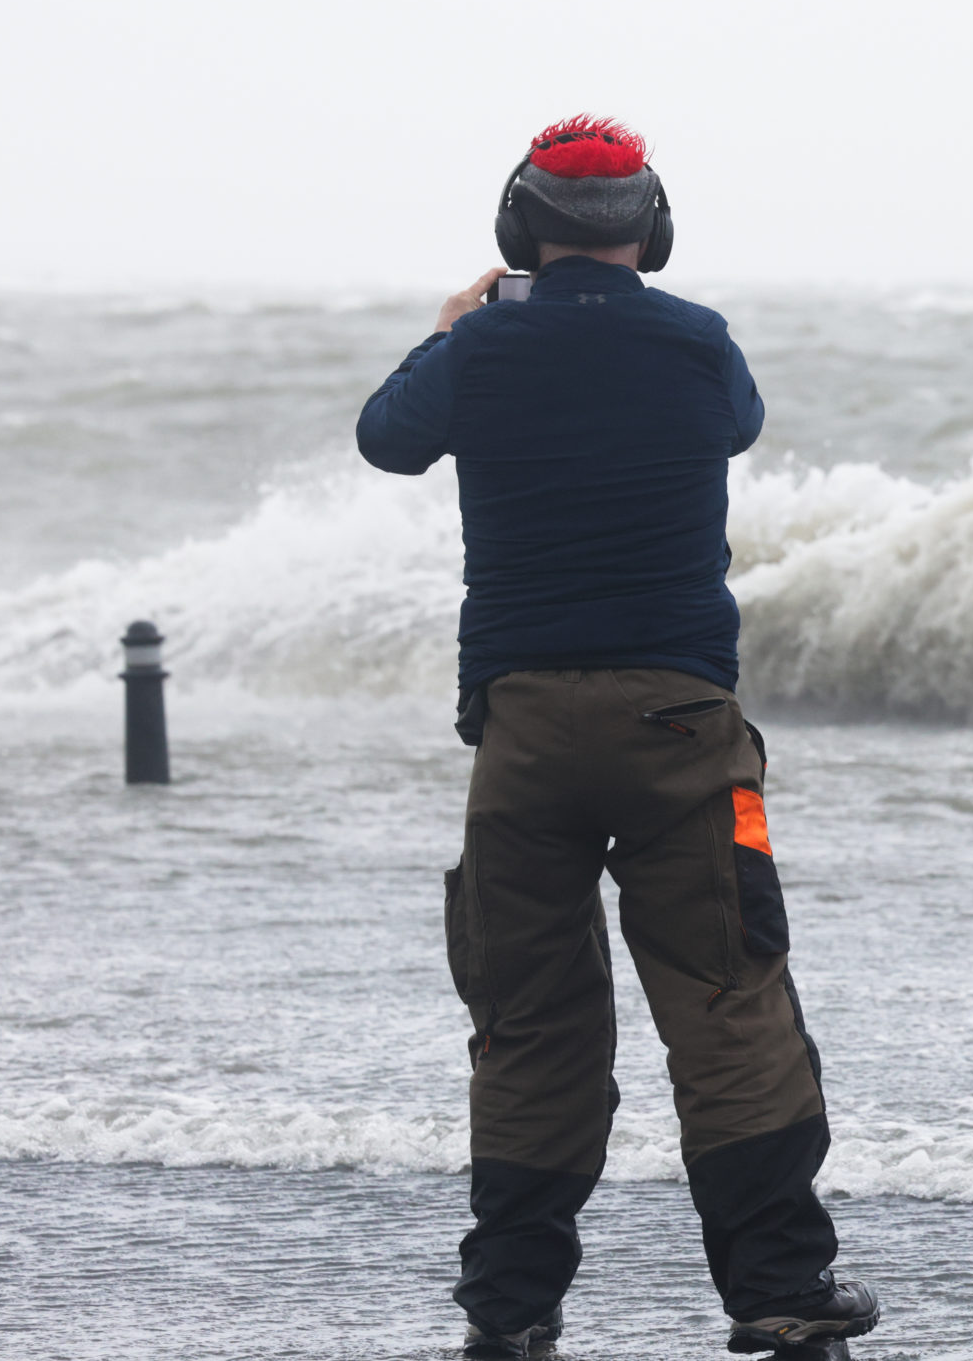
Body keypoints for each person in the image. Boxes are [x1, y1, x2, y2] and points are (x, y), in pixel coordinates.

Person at [355, 116, 880, 1360]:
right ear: (651, 229)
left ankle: (510, 1306)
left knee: (529, 1015)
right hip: (685, 725)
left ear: (515, 226)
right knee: (728, 997)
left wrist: (453, 330)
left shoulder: (478, 347)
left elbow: (387, 440)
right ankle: (783, 1291)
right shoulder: (700, 344)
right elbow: (740, 425)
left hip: (525, 730)